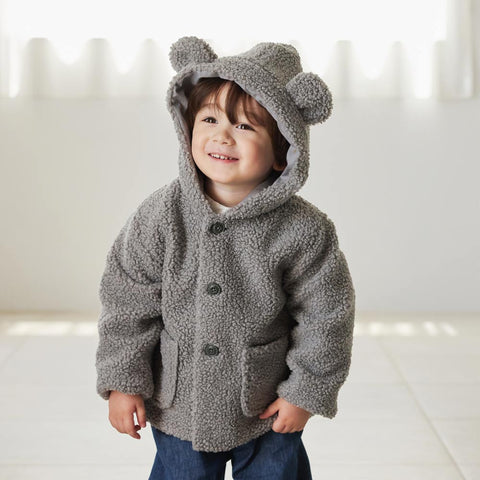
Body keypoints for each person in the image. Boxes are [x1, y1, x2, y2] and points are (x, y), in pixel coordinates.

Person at [95, 36, 356, 480]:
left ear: (283, 152)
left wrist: (305, 391)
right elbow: (127, 301)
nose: (222, 136)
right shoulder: (160, 215)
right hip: (180, 402)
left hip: (267, 403)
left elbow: (327, 316)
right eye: (210, 119)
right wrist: (124, 380)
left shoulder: (305, 230)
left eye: (245, 127)